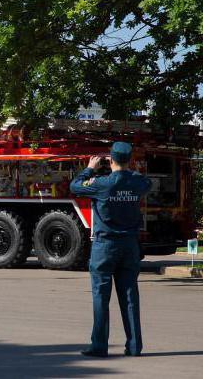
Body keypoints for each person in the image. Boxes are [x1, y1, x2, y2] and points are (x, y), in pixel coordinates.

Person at [70, 142, 152, 358]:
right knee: (130, 296)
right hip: (130, 246)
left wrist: (90, 168)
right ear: (130, 160)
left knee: (100, 296)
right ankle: (134, 346)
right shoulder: (137, 182)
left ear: (111, 160)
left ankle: (99, 346)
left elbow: (75, 186)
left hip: (105, 246)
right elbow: (147, 183)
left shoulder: (101, 184)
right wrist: (128, 173)